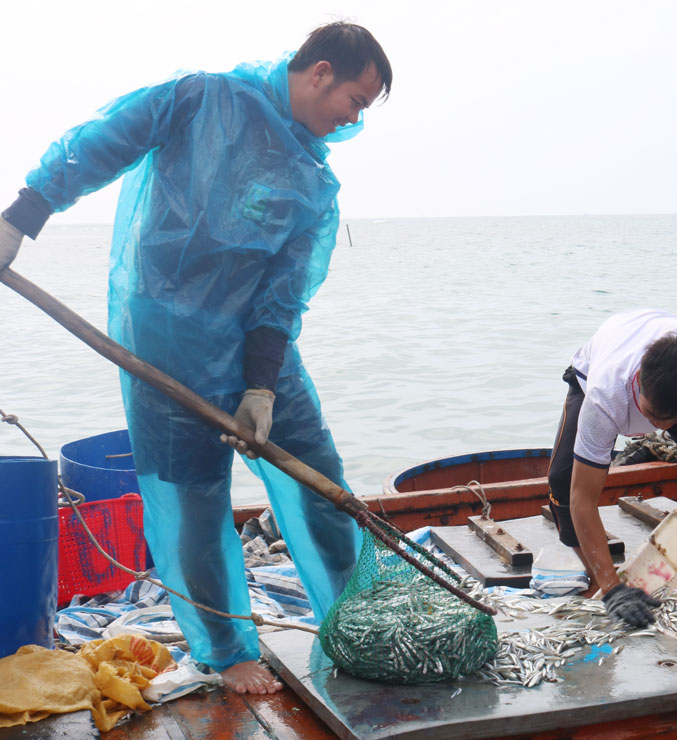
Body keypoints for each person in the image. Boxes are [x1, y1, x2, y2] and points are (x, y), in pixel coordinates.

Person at [0, 22, 392, 694]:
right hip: (169, 339)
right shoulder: (198, 98)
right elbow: (104, 143)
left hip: (258, 350)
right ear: (321, 71)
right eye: (355, 100)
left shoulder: (314, 184)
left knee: (317, 479)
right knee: (193, 502)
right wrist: (21, 214)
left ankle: (361, 624)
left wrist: (262, 388)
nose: (353, 119)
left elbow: (282, 295)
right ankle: (224, 649)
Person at [547, 308, 677, 628]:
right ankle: (603, 583)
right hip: (600, 366)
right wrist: (613, 587)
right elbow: (582, 498)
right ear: (640, 381)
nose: (659, 427)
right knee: (561, 484)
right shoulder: (604, 398)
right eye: (653, 416)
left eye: (672, 422)